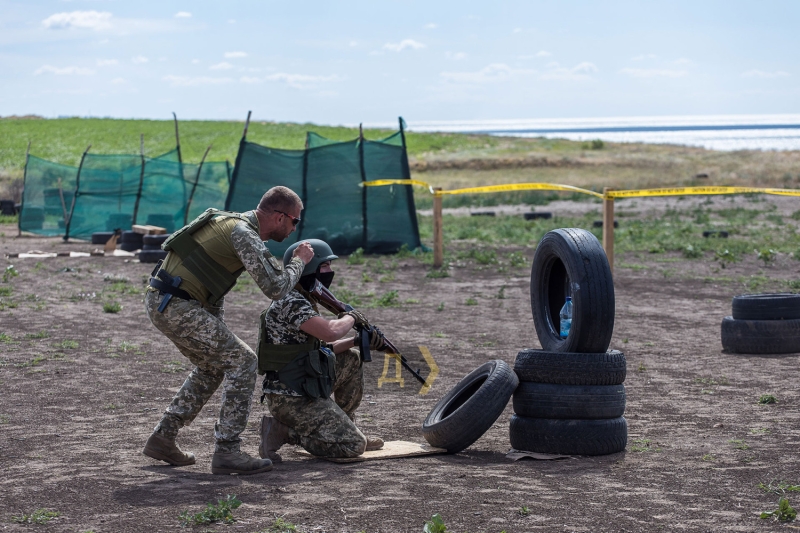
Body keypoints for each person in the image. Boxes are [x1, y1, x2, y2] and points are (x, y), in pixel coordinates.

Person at [142, 186, 314, 476]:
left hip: (169, 301)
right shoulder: (243, 233)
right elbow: (275, 287)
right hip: (176, 305)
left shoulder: (233, 224)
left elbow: (210, 278)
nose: (295, 228)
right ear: (278, 216)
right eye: (295, 221)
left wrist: (217, 326)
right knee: (244, 361)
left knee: (212, 366)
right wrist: (300, 261)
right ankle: (227, 451)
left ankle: (163, 437)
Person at [256, 239, 387, 461]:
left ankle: (344, 425)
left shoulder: (303, 298)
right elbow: (329, 332)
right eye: (325, 266)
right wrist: (351, 316)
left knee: (352, 358)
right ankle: (283, 431)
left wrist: (356, 341)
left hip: (304, 384)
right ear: (309, 268)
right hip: (290, 397)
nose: (330, 271)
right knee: (353, 446)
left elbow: (320, 349)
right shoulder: (290, 301)